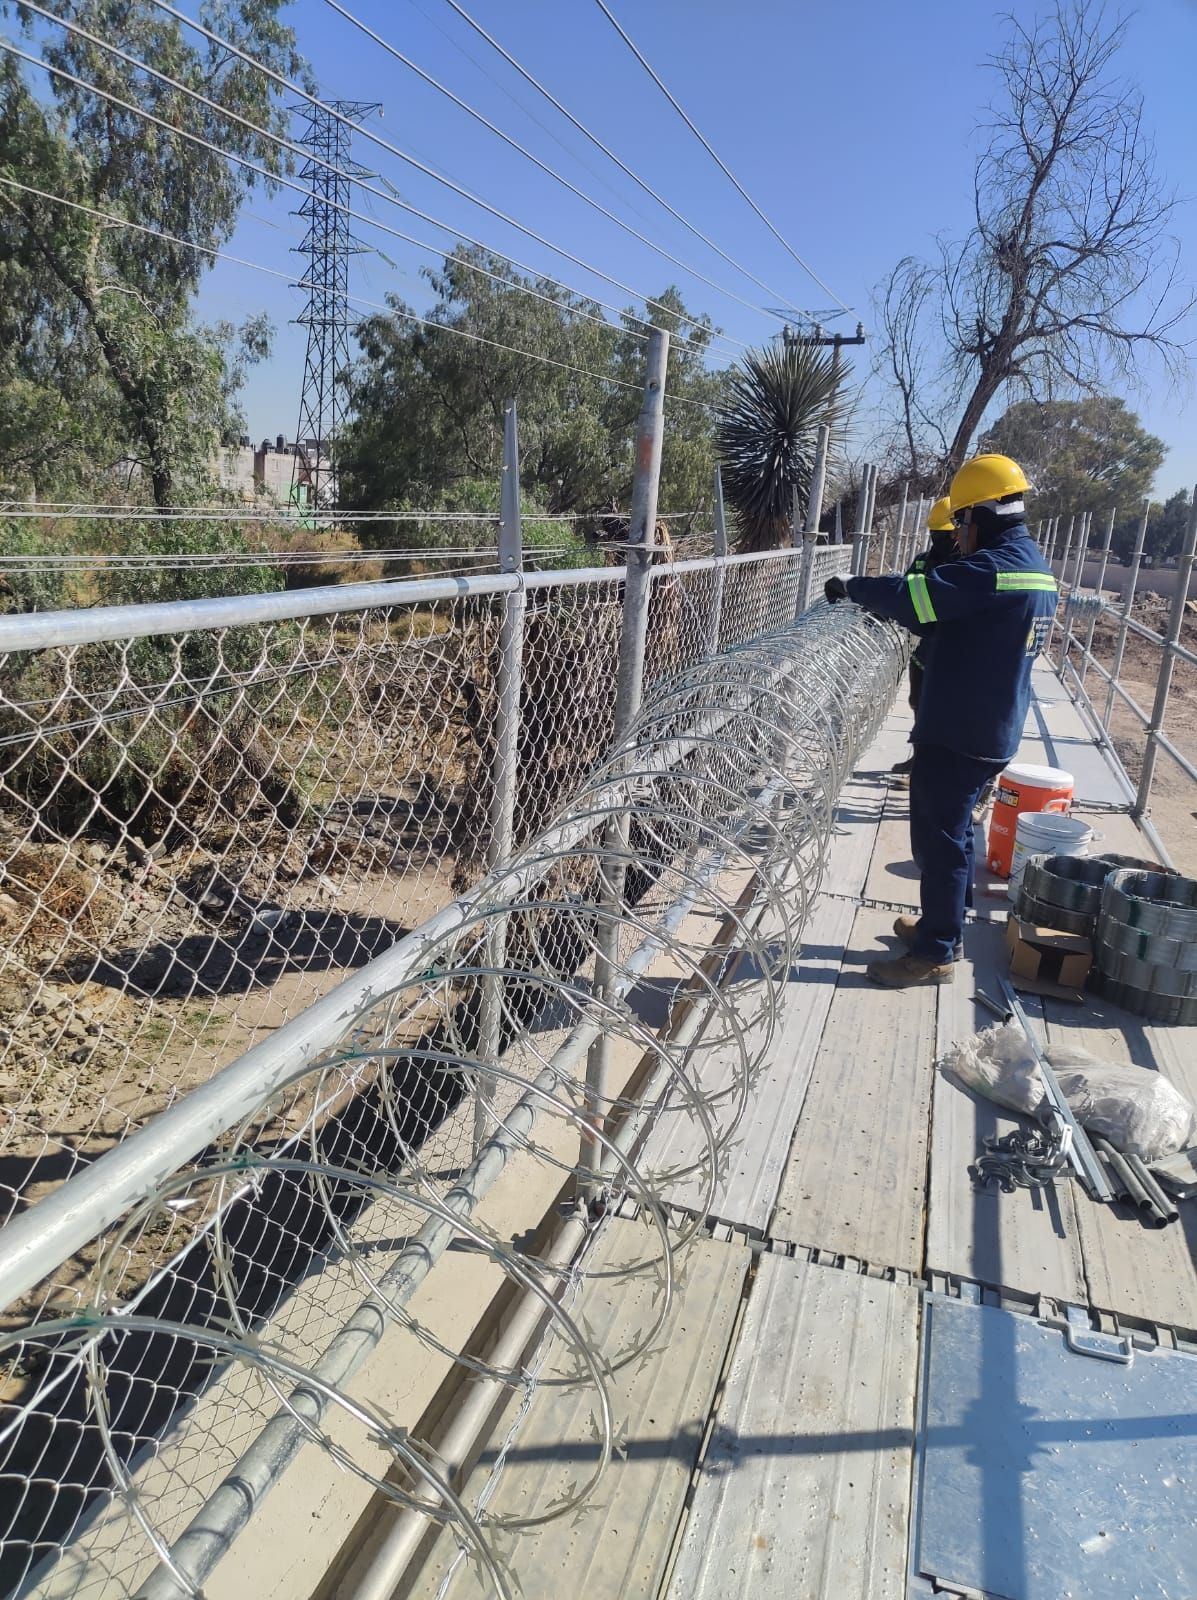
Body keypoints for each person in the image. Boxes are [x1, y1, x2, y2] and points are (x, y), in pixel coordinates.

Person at [825, 453, 1057, 988]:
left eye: (962, 524)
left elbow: (915, 599)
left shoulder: (991, 572)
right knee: (958, 837)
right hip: (991, 726)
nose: (958, 536)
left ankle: (934, 953)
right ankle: (944, 929)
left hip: (960, 732)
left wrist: (851, 585)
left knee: (941, 841)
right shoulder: (1034, 567)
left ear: (978, 518)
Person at [891, 497, 958, 784]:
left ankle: (929, 771)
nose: (936, 539)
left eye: (942, 534)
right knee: (918, 704)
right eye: (933, 533)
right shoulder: (923, 561)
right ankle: (919, 759)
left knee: (942, 717)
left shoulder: (966, 566)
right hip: (924, 652)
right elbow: (902, 593)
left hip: (952, 656)